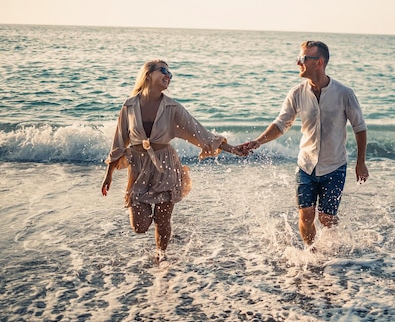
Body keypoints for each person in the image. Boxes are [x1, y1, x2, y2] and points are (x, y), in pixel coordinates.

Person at [101, 60, 246, 261]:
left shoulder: (173, 107)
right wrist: (108, 175)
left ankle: (161, 257)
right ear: (148, 74)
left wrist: (233, 149)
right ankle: (158, 222)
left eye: (170, 72)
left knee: (162, 220)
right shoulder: (129, 105)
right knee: (140, 226)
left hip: (165, 167)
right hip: (138, 169)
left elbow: (201, 133)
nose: (168, 75)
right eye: (163, 70)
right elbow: (118, 142)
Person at [243, 41, 368, 248]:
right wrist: (258, 141)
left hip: (335, 166)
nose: (297, 62)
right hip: (306, 165)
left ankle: (334, 248)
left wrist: (361, 162)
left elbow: (360, 128)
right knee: (306, 215)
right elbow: (281, 124)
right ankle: (311, 254)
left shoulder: (344, 93)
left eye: (303, 59)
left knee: (326, 219)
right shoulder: (297, 93)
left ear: (318, 62)